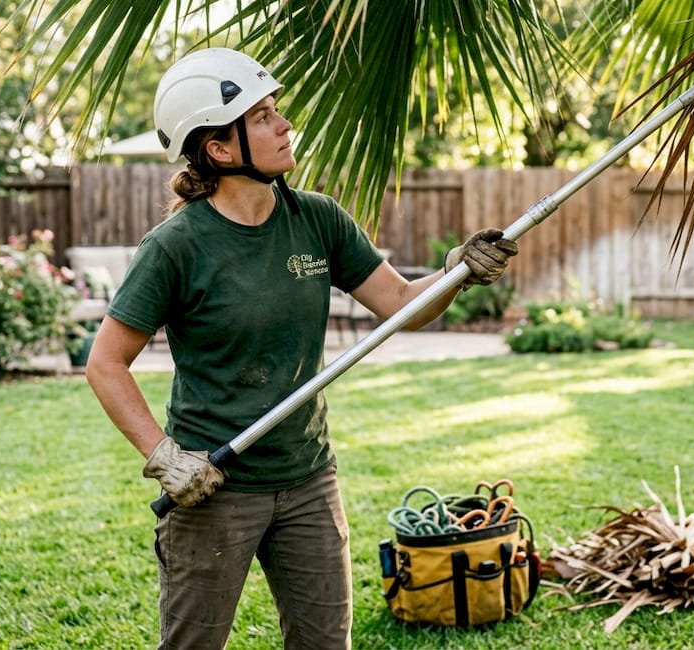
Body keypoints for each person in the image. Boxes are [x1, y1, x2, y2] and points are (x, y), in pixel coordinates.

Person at [84, 47, 519, 649]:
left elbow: (400, 305)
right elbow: (105, 363)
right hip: (215, 483)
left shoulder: (317, 219)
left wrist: (456, 273)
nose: (284, 124)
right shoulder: (176, 246)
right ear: (219, 146)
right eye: (262, 116)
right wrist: (163, 455)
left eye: (275, 111)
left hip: (308, 478)